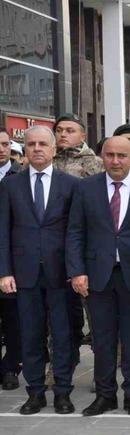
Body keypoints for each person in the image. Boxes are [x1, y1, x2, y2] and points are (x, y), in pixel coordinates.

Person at [66, 136, 130, 417]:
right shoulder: (86, 188)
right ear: (102, 156)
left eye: (122, 155)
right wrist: (76, 271)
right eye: (110, 155)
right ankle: (105, 395)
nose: (116, 161)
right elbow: (75, 232)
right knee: (102, 338)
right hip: (97, 276)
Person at [0, 126, 78, 414]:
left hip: (61, 274)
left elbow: (76, 232)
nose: (36, 149)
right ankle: (35, 392)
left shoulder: (71, 185)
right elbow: (3, 232)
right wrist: (4, 272)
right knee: (30, 334)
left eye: (43, 144)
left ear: (54, 149)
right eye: (31, 144)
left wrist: (76, 270)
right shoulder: (10, 186)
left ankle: (62, 391)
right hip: (24, 273)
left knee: (63, 334)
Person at [0, 129, 21, 391]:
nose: (2, 149)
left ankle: (11, 368)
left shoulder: (21, 177)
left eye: (5, 144)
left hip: (13, 258)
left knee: (13, 318)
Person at [53, 113, 104, 178]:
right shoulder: (47, 160)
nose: (63, 134)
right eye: (58, 130)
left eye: (70, 131)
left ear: (83, 137)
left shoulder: (96, 163)